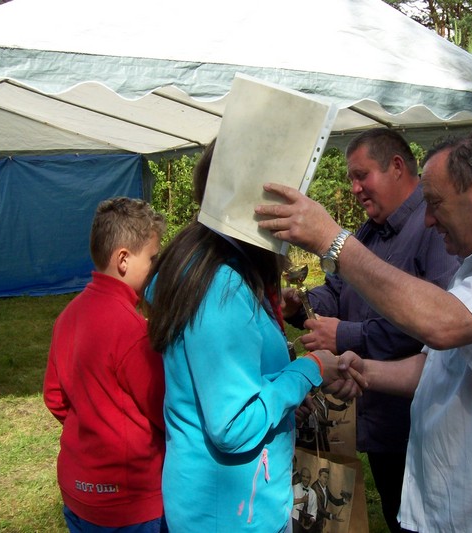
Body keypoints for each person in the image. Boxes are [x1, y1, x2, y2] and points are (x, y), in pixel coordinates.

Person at [256, 132, 472, 531]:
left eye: (435, 204)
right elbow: (442, 366)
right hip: (452, 511)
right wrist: (366, 370)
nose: (429, 219)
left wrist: (334, 241)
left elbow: (442, 325)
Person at [143, 140, 353, 533]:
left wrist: (285, 395)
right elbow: (233, 425)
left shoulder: (203, 263)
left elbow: (229, 386)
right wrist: (309, 369)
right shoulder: (219, 287)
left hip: (226, 506)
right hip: (232, 515)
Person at [283, 128, 458, 532]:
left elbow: (436, 321)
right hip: (379, 414)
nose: (356, 188)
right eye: (351, 179)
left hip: (420, 418)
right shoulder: (367, 232)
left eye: (362, 176)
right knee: (400, 516)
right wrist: (302, 307)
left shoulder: (433, 228)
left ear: (397, 166)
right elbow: (337, 291)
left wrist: (344, 336)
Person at [43, 197, 168, 532]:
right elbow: (161, 408)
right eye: (153, 258)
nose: (156, 267)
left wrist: (94, 426)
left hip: (78, 491)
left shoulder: (68, 316)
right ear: (124, 259)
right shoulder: (132, 330)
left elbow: (55, 397)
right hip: (130, 504)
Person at [310, 468, 352, 533]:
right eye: (324, 477)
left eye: (327, 478)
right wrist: (331, 516)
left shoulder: (325, 487)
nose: (326, 480)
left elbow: (334, 500)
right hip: (313, 521)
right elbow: (319, 509)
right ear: (319, 476)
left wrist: (344, 500)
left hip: (320, 521)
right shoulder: (315, 488)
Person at [293, 467, 318, 533]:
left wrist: (310, 524)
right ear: (300, 477)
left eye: (307, 477)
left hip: (307, 527)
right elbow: (289, 502)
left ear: (310, 479)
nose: (305, 479)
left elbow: (314, 511)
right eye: (303, 476)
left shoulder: (313, 493)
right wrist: (301, 500)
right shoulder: (294, 488)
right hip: (294, 522)